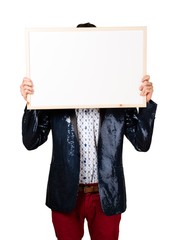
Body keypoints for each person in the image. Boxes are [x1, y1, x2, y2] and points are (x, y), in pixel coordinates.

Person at [20, 23, 157, 240]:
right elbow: (31, 141)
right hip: (65, 194)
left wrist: (145, 104)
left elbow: (142, 143)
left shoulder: (119, 93)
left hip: (106, 196)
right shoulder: (56, 93)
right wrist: (32, 102)